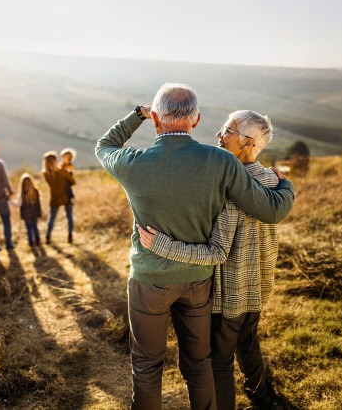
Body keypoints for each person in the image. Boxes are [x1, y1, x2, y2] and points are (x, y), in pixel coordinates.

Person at [95, 83, 295, 410]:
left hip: (150, 280)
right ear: (197, 119)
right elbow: (270, 209)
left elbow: (105, 145)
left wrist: (137, 116)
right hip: (199, 280)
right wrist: (285, 184)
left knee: (147, 366)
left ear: (157, 118)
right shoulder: (221, 162)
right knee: (199, 363)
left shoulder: (132, 162)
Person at [137, 110, 283, 410]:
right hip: (257, 290)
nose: (219, 134)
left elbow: (217, 252)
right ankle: (262, 396)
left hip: (229, 296)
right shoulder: (272, 180)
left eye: (227, 130)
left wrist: (164, 245)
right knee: (248, 343)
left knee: (219, 364)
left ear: (248, 142)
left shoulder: (231, 188)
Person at [43, 150, 76, 244]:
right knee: (69, 217)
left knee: (51, 218)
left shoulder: (45, 173)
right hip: (66, 196)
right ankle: (70, 236)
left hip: (54, 197)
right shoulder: (62, 171)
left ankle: (48, 237)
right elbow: (73, 181)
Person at [19, 174, 43, 248]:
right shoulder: (35, 191)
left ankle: (31, 242)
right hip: (34, 214)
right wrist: (39, 213)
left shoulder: (22, 193)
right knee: (35, 227)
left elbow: (20, 206)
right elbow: (38, 204)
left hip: (26, 215)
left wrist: (22, 215)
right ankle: (37, 241)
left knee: (29, 228)